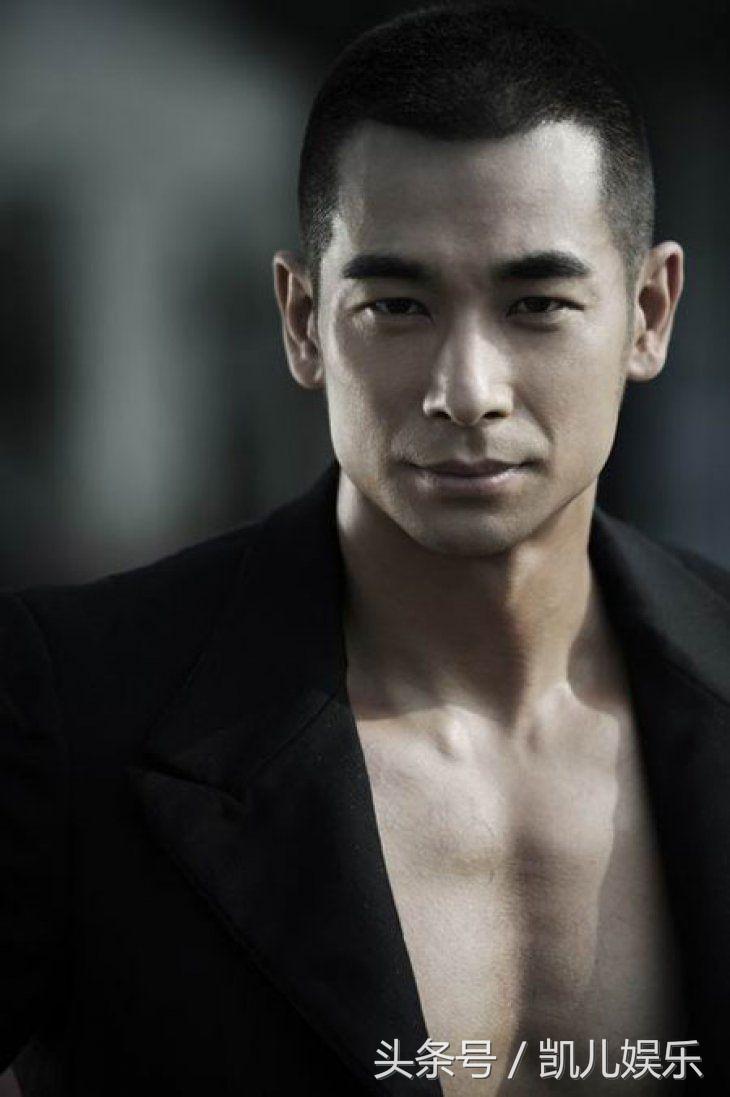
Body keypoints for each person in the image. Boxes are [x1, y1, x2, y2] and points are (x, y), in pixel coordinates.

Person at [1, 3, 727, 1094]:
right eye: (396, 305)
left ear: (650, 313)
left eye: (536, 303)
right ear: (303, 320)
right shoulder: (74, 706)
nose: (466, 391)